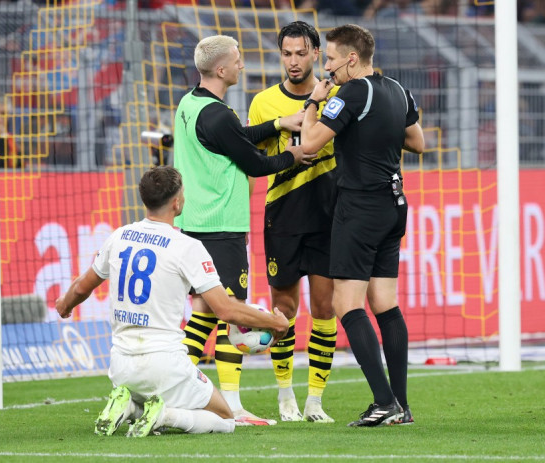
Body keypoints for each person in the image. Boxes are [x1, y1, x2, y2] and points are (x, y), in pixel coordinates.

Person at [55, 166, 290, 437]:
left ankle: (130, 406)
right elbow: (225, 310)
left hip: (120, 367)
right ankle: (163, 415)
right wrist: (275, 322)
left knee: (153, 392)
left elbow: (81, 287)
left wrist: (64, 305)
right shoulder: (187, 246)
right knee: (225, 418)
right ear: (177, 202)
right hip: (165, 366)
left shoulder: (118, 236)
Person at [174, 34, 315, 426]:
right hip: (221, 226)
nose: (242, 65)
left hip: (193, 223)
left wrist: (277, 124)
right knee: (233, 315)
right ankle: (233, 407)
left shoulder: (190, 103)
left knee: (203, 314)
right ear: (221, 69)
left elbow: (234, 138)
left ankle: (172, 391)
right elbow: (254, 163)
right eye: (238, 60)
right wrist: (293, 155)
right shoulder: (218, 115)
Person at [300, 24, 425, 427]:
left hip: (361, 206)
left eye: (332, 59)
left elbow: (309, 144)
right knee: (385, 302)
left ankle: (384, 402)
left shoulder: (352, 92)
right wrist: (376, 132)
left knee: (346, 304)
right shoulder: (399, 90)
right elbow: (417, 142)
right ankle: (401, 406)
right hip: (394, 202)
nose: (328, 68)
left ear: (352, 59)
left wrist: (314, 103)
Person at [247, 21, 338, 424]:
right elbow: (251, 159)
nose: (294, 61)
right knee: (283, 310)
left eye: (301, 53)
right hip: (283, 216)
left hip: (328, 216)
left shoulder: (337, 97)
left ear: (316, 53)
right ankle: (285, 395)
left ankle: (315, 400)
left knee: (324, 308)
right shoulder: (264, 102)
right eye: (287, 54)